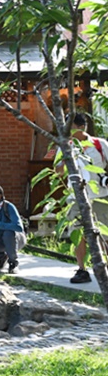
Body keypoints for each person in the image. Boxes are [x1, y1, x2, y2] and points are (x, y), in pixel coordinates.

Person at [57, 112, 108, 283]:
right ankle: (82, 270)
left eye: (68, 127)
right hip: (75, 197)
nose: (66, 130)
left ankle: (104, 268)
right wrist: (65, 157)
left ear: (80, 127)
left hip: (99, 196)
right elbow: (58, 172)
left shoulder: (100, 145)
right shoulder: (65, 145)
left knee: (104, 233)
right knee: (77, 233)